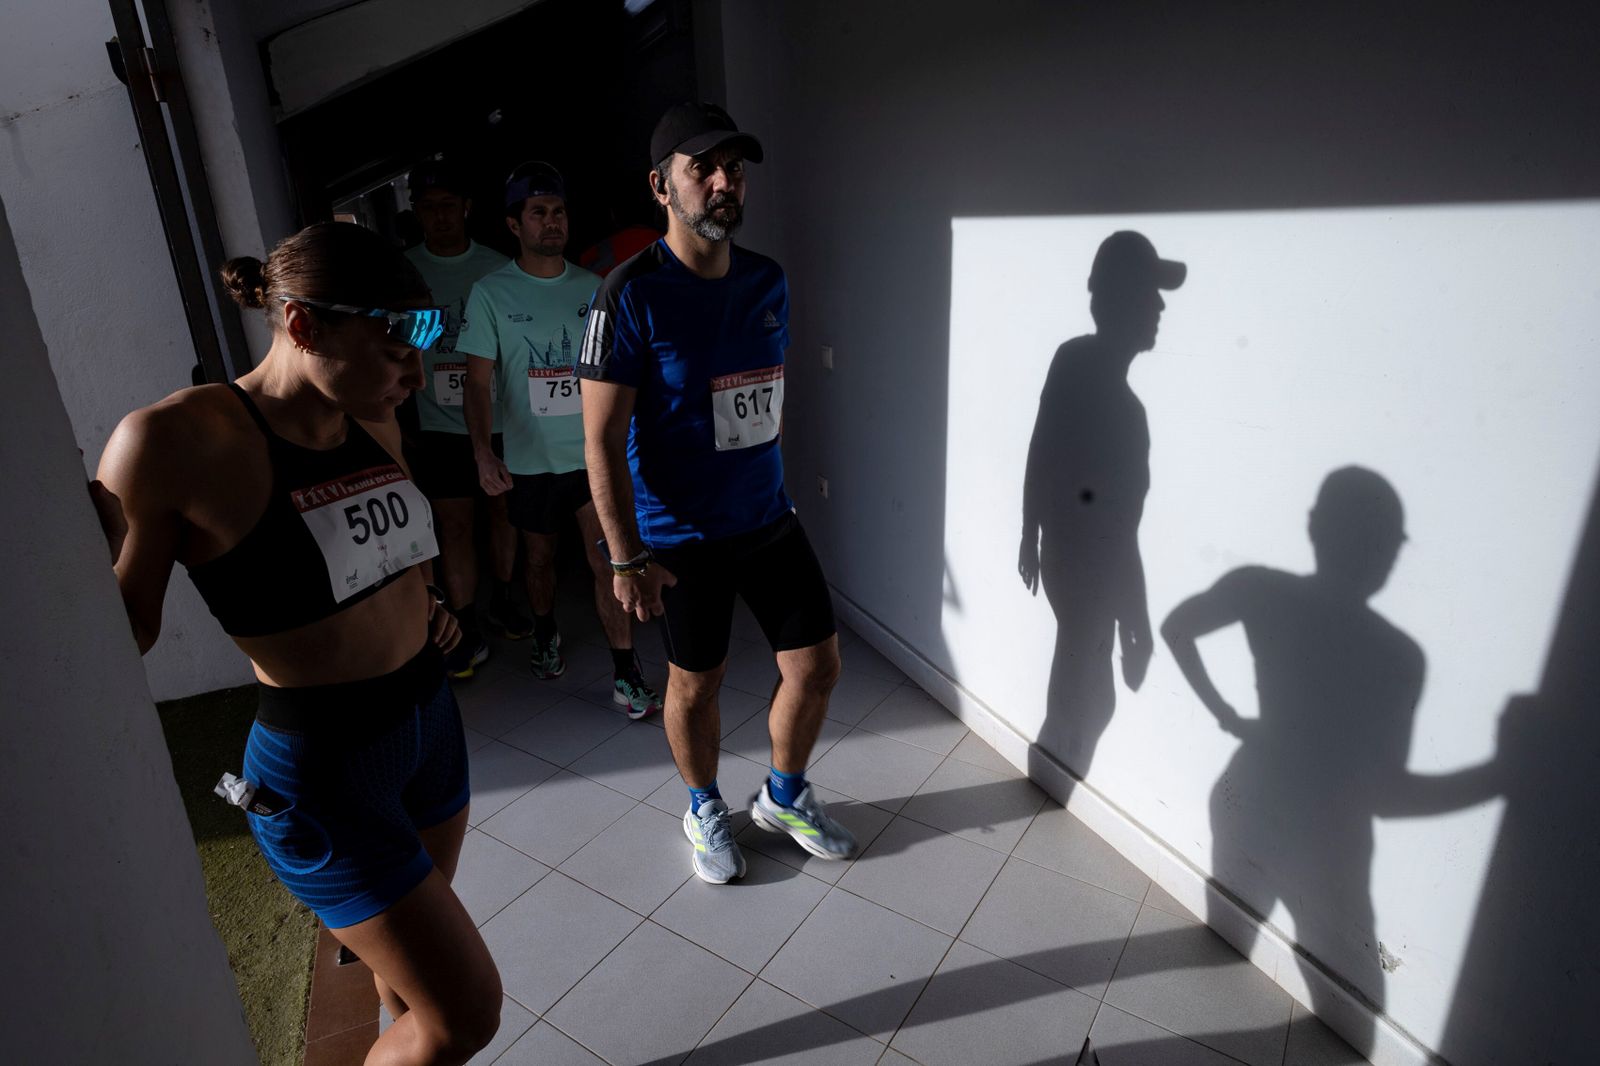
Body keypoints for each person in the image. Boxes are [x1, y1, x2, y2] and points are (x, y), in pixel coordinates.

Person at [92, 222, 501, 1064]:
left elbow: (380, 552)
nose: (417, 371)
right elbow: (122, 634)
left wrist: (423, 603)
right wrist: (68, 560)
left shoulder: (372, 414)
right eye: (395, 339)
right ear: (303, 324)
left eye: (425, 337)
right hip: (326, 770)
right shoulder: (173, 442)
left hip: (428, 726)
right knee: (466, 1016)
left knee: (410, 991)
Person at [577, 102, 856, 884]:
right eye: (703, 168)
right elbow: (597, 440)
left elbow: (756, 403)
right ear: (661, 186)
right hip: (679, 537)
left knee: (818, 666)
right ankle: (703, 803)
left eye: (734, 168)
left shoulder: (768, 279)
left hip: (767, 517)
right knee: (695, 685)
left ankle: (784, 796)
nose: (724, 182)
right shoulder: (627, 294)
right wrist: (625, 554)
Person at [456, 162, 661, 717]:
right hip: (529, 460)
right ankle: (545, 631)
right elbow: (477, 383)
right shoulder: (490, 293)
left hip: (593, 458)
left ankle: (626, 671)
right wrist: (481, 449)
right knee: (540, 560)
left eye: (560, 211)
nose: (552, 222)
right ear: (514, 224)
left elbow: (620, 376)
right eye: (539, 212)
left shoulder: (595, 288)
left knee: (609, 563)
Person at [1018, 231, 1183, 775]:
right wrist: (1030, 533)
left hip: (1091, 565)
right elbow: (1042, 449)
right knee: (1084, 689)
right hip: (1080, 564)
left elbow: (1123, 524)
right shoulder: (1080, 368)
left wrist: (1134, 614)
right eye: (1148, 293)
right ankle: (1052, 774)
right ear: (1115, 298)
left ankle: (1053, 771)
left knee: (1086, 686)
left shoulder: (1122, 404)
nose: (1159, 306)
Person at [403, 160, 529, 679]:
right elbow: (401, 347)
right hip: (437, 425)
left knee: (503, 515)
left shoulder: (498, 268)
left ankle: (502, 596)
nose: (440, 217)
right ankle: (467, 621)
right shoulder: (407, 270)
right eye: (429, 208)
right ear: (416, 213)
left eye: (448, 206)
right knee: (453, 525)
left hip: (500, 419)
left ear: (467, 209)